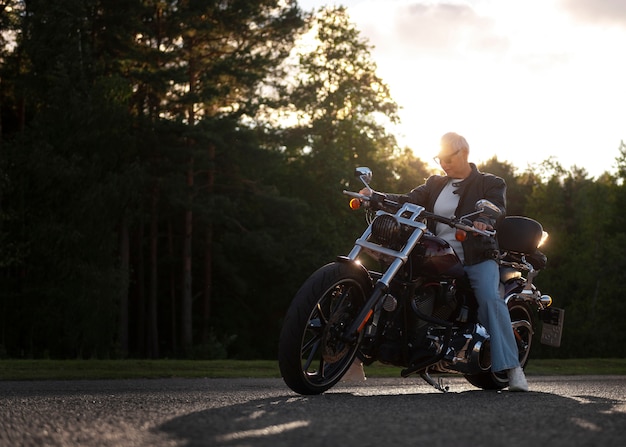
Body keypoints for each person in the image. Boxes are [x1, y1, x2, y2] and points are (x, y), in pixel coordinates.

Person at [362, 132, 528, 392]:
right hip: (439, 254)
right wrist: (376, 196)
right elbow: (408, 199)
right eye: (439, 158)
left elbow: (496, 206)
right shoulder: (435, 183)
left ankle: (513, 368)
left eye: (447, 158)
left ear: (463, 153)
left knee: (489, 299)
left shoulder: (489, 183)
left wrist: (484, 217)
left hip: (476, 256)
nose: (442, 164)